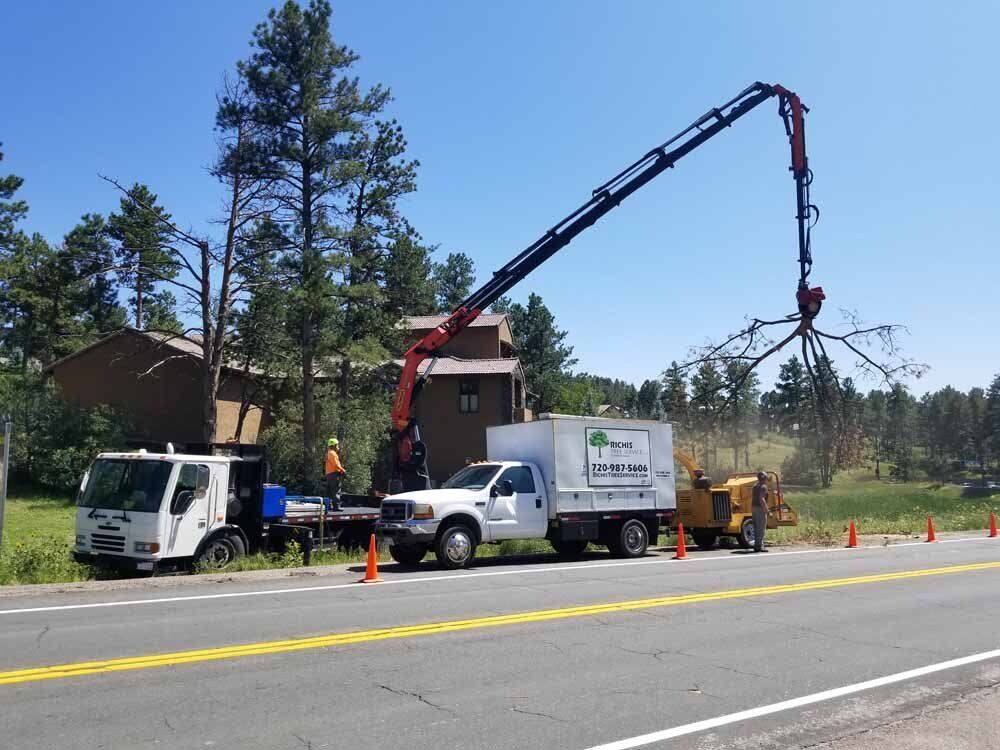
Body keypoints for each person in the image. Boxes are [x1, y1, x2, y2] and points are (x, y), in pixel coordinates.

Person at [325, 437, 346, 509]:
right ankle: (336, 506)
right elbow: (336, 464)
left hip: (329, 474)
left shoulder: (328, 453)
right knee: (336, 490)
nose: (338, 447)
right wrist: (342, 470)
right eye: (337, 445)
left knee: (330, 491)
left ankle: (329, 506)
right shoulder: (333, 453)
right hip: (334, 474)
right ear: (334, 446)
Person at [751, 471, 769, 553]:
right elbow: (761, 499)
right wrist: (767, 510)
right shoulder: (763, 487)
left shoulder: (755, 486)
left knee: (756, 527)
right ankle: (758, 546)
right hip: (760, 509)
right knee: (761, 528)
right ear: (764, 478)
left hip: (754, 508)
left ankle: (757, 545)